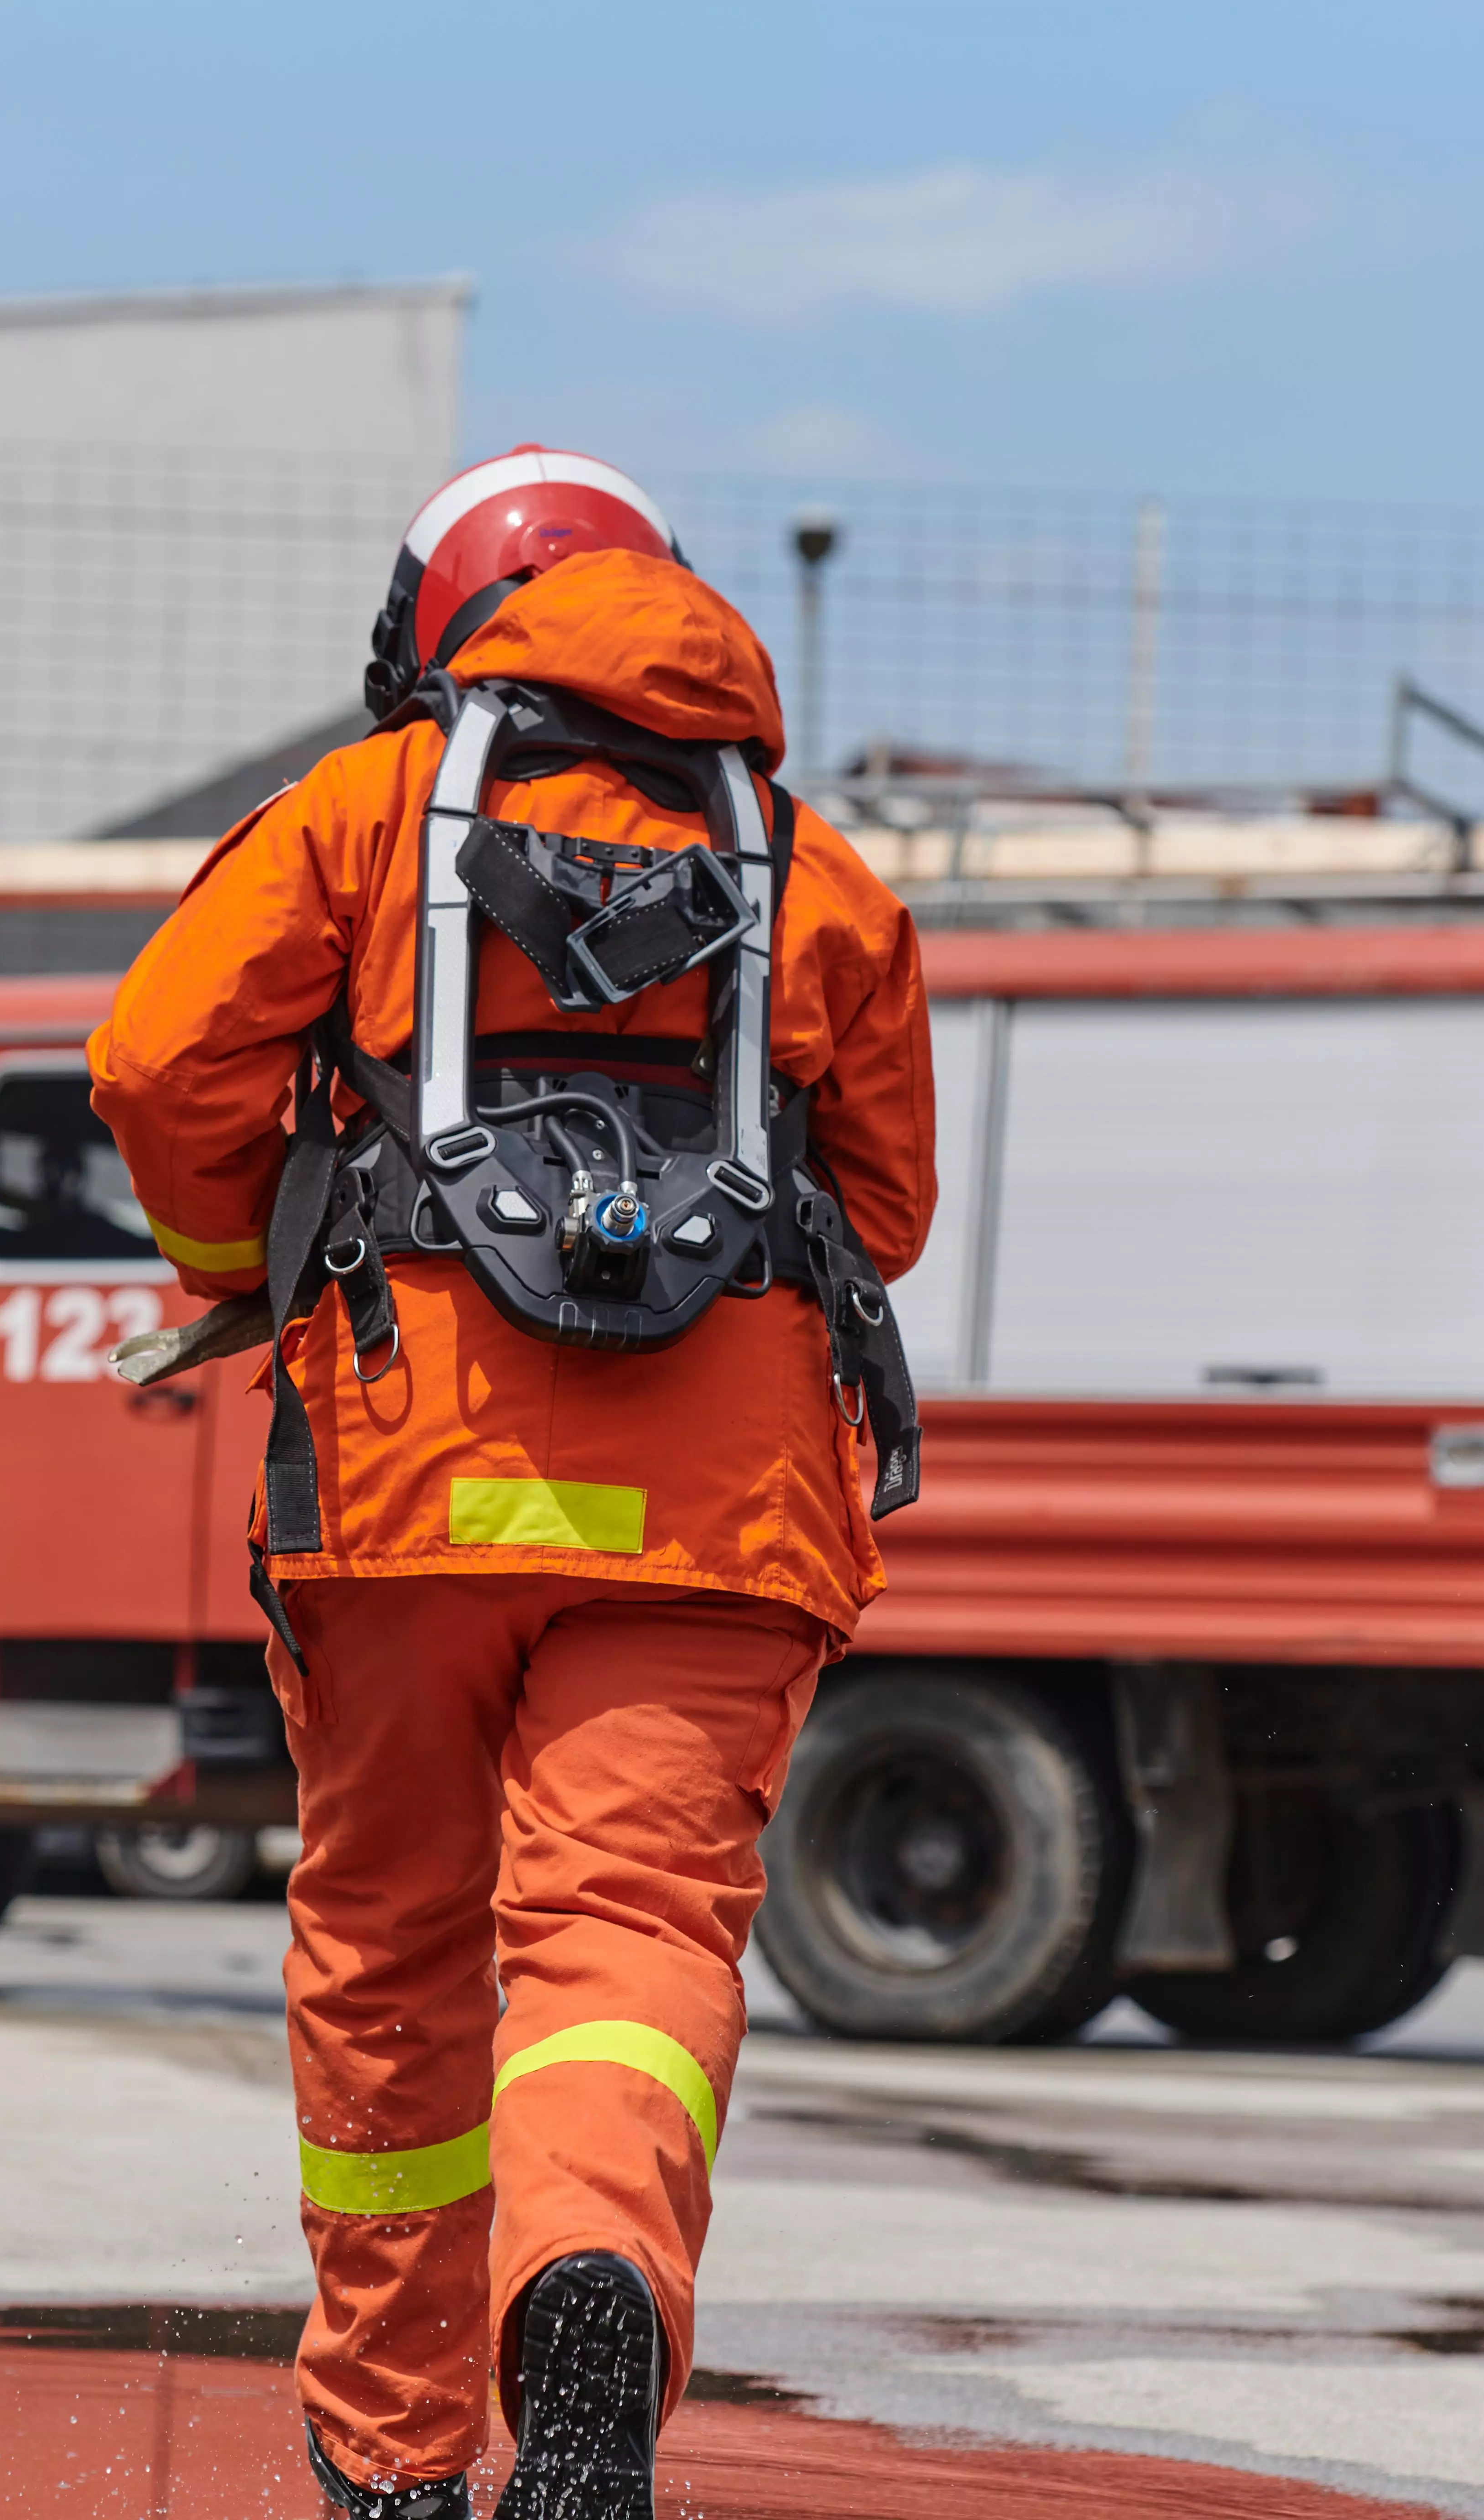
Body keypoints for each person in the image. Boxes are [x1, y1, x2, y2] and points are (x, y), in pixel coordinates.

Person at [89, 447, 934, 2520]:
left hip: (409, 1466)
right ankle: (590, 2286)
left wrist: (236, 1262)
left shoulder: (372, 815)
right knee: (627, 1930)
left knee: (392, 1946)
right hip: (724, 1503)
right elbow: (889, 1212)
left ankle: (389, 2455)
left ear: (438, 627)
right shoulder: (811, 866)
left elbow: (154, 1060)